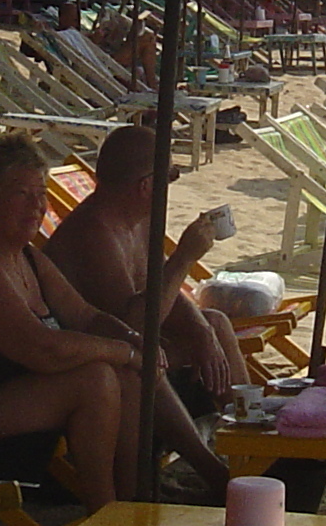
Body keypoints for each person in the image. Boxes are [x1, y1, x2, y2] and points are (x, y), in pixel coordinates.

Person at [0, 135, 222, 510]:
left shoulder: (25, 255)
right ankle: (105, 511)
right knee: (98, 379)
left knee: (127, 372)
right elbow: (44, 350)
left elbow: (84, 314)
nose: (37, 206)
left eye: (41, 193)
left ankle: (135, 499)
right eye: (22, 194)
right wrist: (125, 351)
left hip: (0, 394)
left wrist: (130, 339)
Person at [44, 125, 246, 420]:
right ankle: (240, 428)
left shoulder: (139, 219)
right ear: (146, 186)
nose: (171, 183)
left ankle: (248, 424)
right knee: (201, 336)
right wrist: (184, 258)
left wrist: (201, 330)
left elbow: (160, 289)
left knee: (215, 323)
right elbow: (132, 326)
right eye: (170, 176)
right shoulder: (94, 234)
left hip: (137, 342)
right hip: (100, 359)